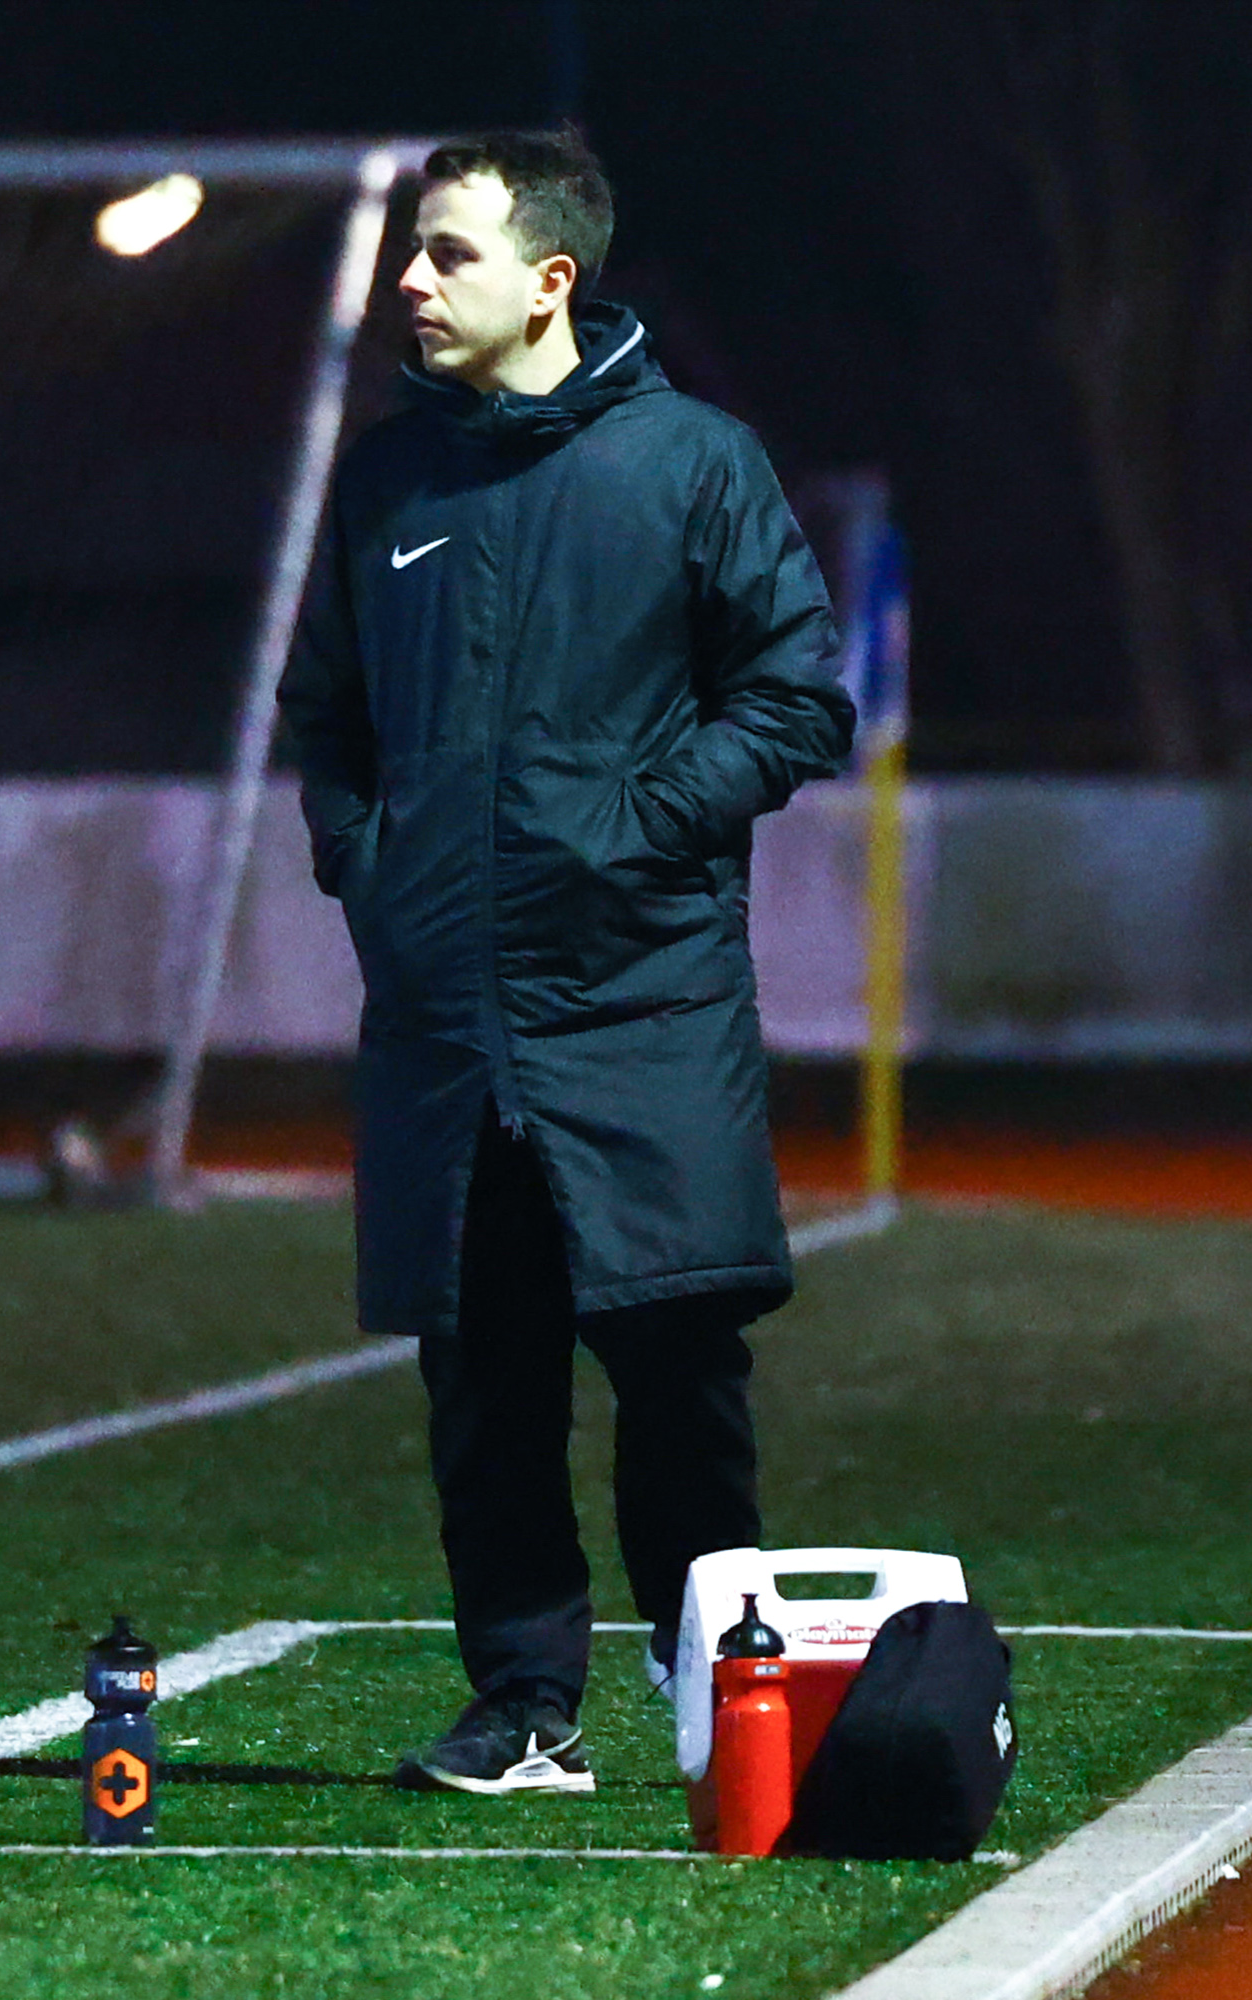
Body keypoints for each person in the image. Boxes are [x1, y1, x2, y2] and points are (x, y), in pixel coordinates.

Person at [277, 126, 856, 1796]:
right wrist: (367, 866)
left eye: (448, 252)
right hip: (446, 1021)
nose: (411, 278)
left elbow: (797, 698)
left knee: (679, 1373)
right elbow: (325, 716)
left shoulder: (692, 462)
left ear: (550, 280)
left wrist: (633, 822)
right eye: (412, 249)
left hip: (641, 1007)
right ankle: (524, 1707)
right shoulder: (387, 478)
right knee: (484, 1389)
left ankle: (713, 1687)